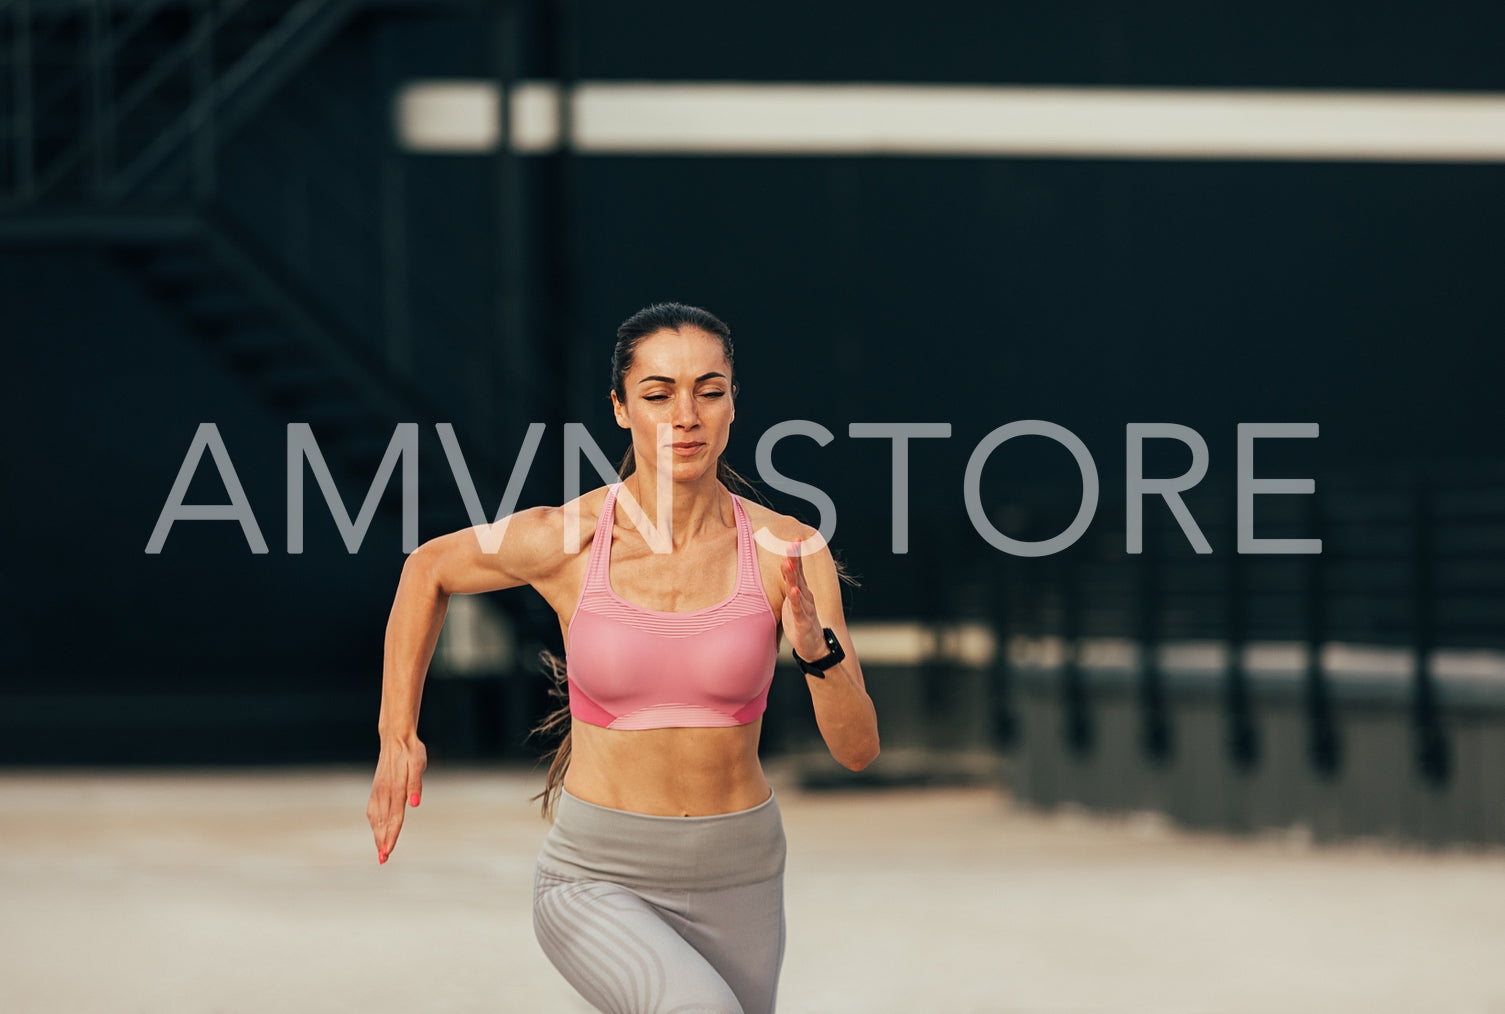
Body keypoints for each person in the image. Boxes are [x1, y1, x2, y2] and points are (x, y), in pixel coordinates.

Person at [366, 301, 880, 1014]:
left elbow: (856, 750)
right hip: (597, 874)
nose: (686, 415)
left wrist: (815, 652)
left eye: (709, 389)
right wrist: (398, 734)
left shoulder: (788, 551)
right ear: (620, 408)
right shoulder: (568, 539)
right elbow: (429, 569)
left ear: (733, 403)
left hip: (743, 875)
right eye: (658, 393)